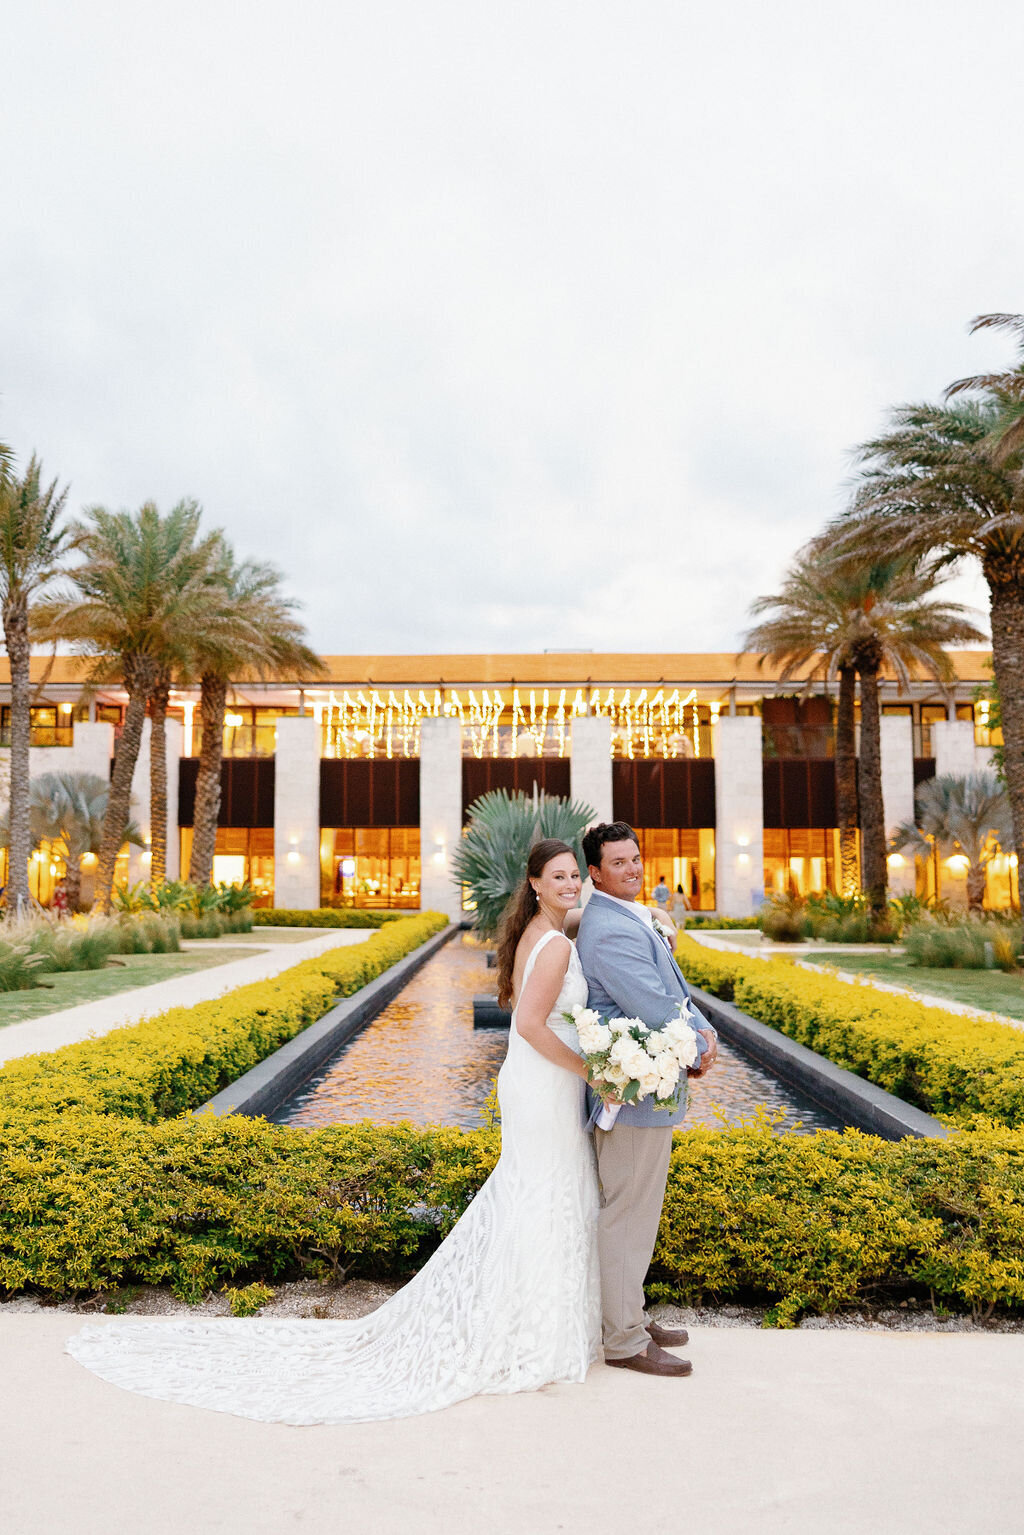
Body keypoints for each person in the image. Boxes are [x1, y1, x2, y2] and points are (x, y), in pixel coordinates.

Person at [66, 839, 601, 1425]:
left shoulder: (538, 931)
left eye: (576, 874)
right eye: (560, 876)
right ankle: (532, 1331)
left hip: (533, 1083)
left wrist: (647, 917)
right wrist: (592, 1069)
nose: (572, 884)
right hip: (547, 1082)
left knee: (535, 1194)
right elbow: (527, 1024)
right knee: (545, 1196)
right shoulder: (551, 945)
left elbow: (579, 929)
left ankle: (525, 1317)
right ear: (535, 884)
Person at [576, 820, 718, 1379]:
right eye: (619, 862)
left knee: (639, 1215)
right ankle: (624, 1339)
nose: (633, 868)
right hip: (631, 1096)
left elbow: (675, 994)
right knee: (626, 1218)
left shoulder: (629, 915)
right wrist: (701, 1044)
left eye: (636, 858)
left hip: (651, 1087)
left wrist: (705, 1032)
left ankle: (629, 1314)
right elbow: (653, 1005)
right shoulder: (609, 928)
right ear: (596, 872)